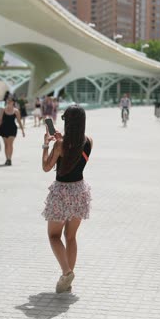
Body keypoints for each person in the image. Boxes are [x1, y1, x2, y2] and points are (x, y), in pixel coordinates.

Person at [41, 104, 93, 293]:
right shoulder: (89, 141)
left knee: (54, 236)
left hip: (62, 192)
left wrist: (47, 144)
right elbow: (75, 155)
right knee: (71, 237)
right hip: (80, 191)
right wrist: (61, 143)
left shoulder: (59, 145)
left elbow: (46, 167)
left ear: (68, 122)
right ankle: (68, 280)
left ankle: (66, 272)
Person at [0, 96, 25, 165]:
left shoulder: (16, 111)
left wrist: (22, 130)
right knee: (6, 145)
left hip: (12, 129)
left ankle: (10, 159)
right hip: (3, 128)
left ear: (13, 102)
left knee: (10, 144)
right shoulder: (3, 109)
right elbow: (0, 120)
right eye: (7, 101)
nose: (8, 102)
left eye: (10, 101)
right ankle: (7, 159)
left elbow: (19, 121)